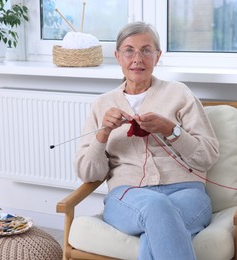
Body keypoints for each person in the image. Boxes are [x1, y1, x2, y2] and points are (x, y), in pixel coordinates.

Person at [75, 21, 219, 260]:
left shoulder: (179, 93)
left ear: (157, 56)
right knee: (157, 207)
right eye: (129, 50)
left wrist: (172, 130)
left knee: (156, 230)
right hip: (127, 196)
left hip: (187, 192)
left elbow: (208, 156)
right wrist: (103, 134)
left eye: (146, 50)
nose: (137, 58)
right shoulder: (101, 104)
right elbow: (88, 173)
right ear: (118, 56)